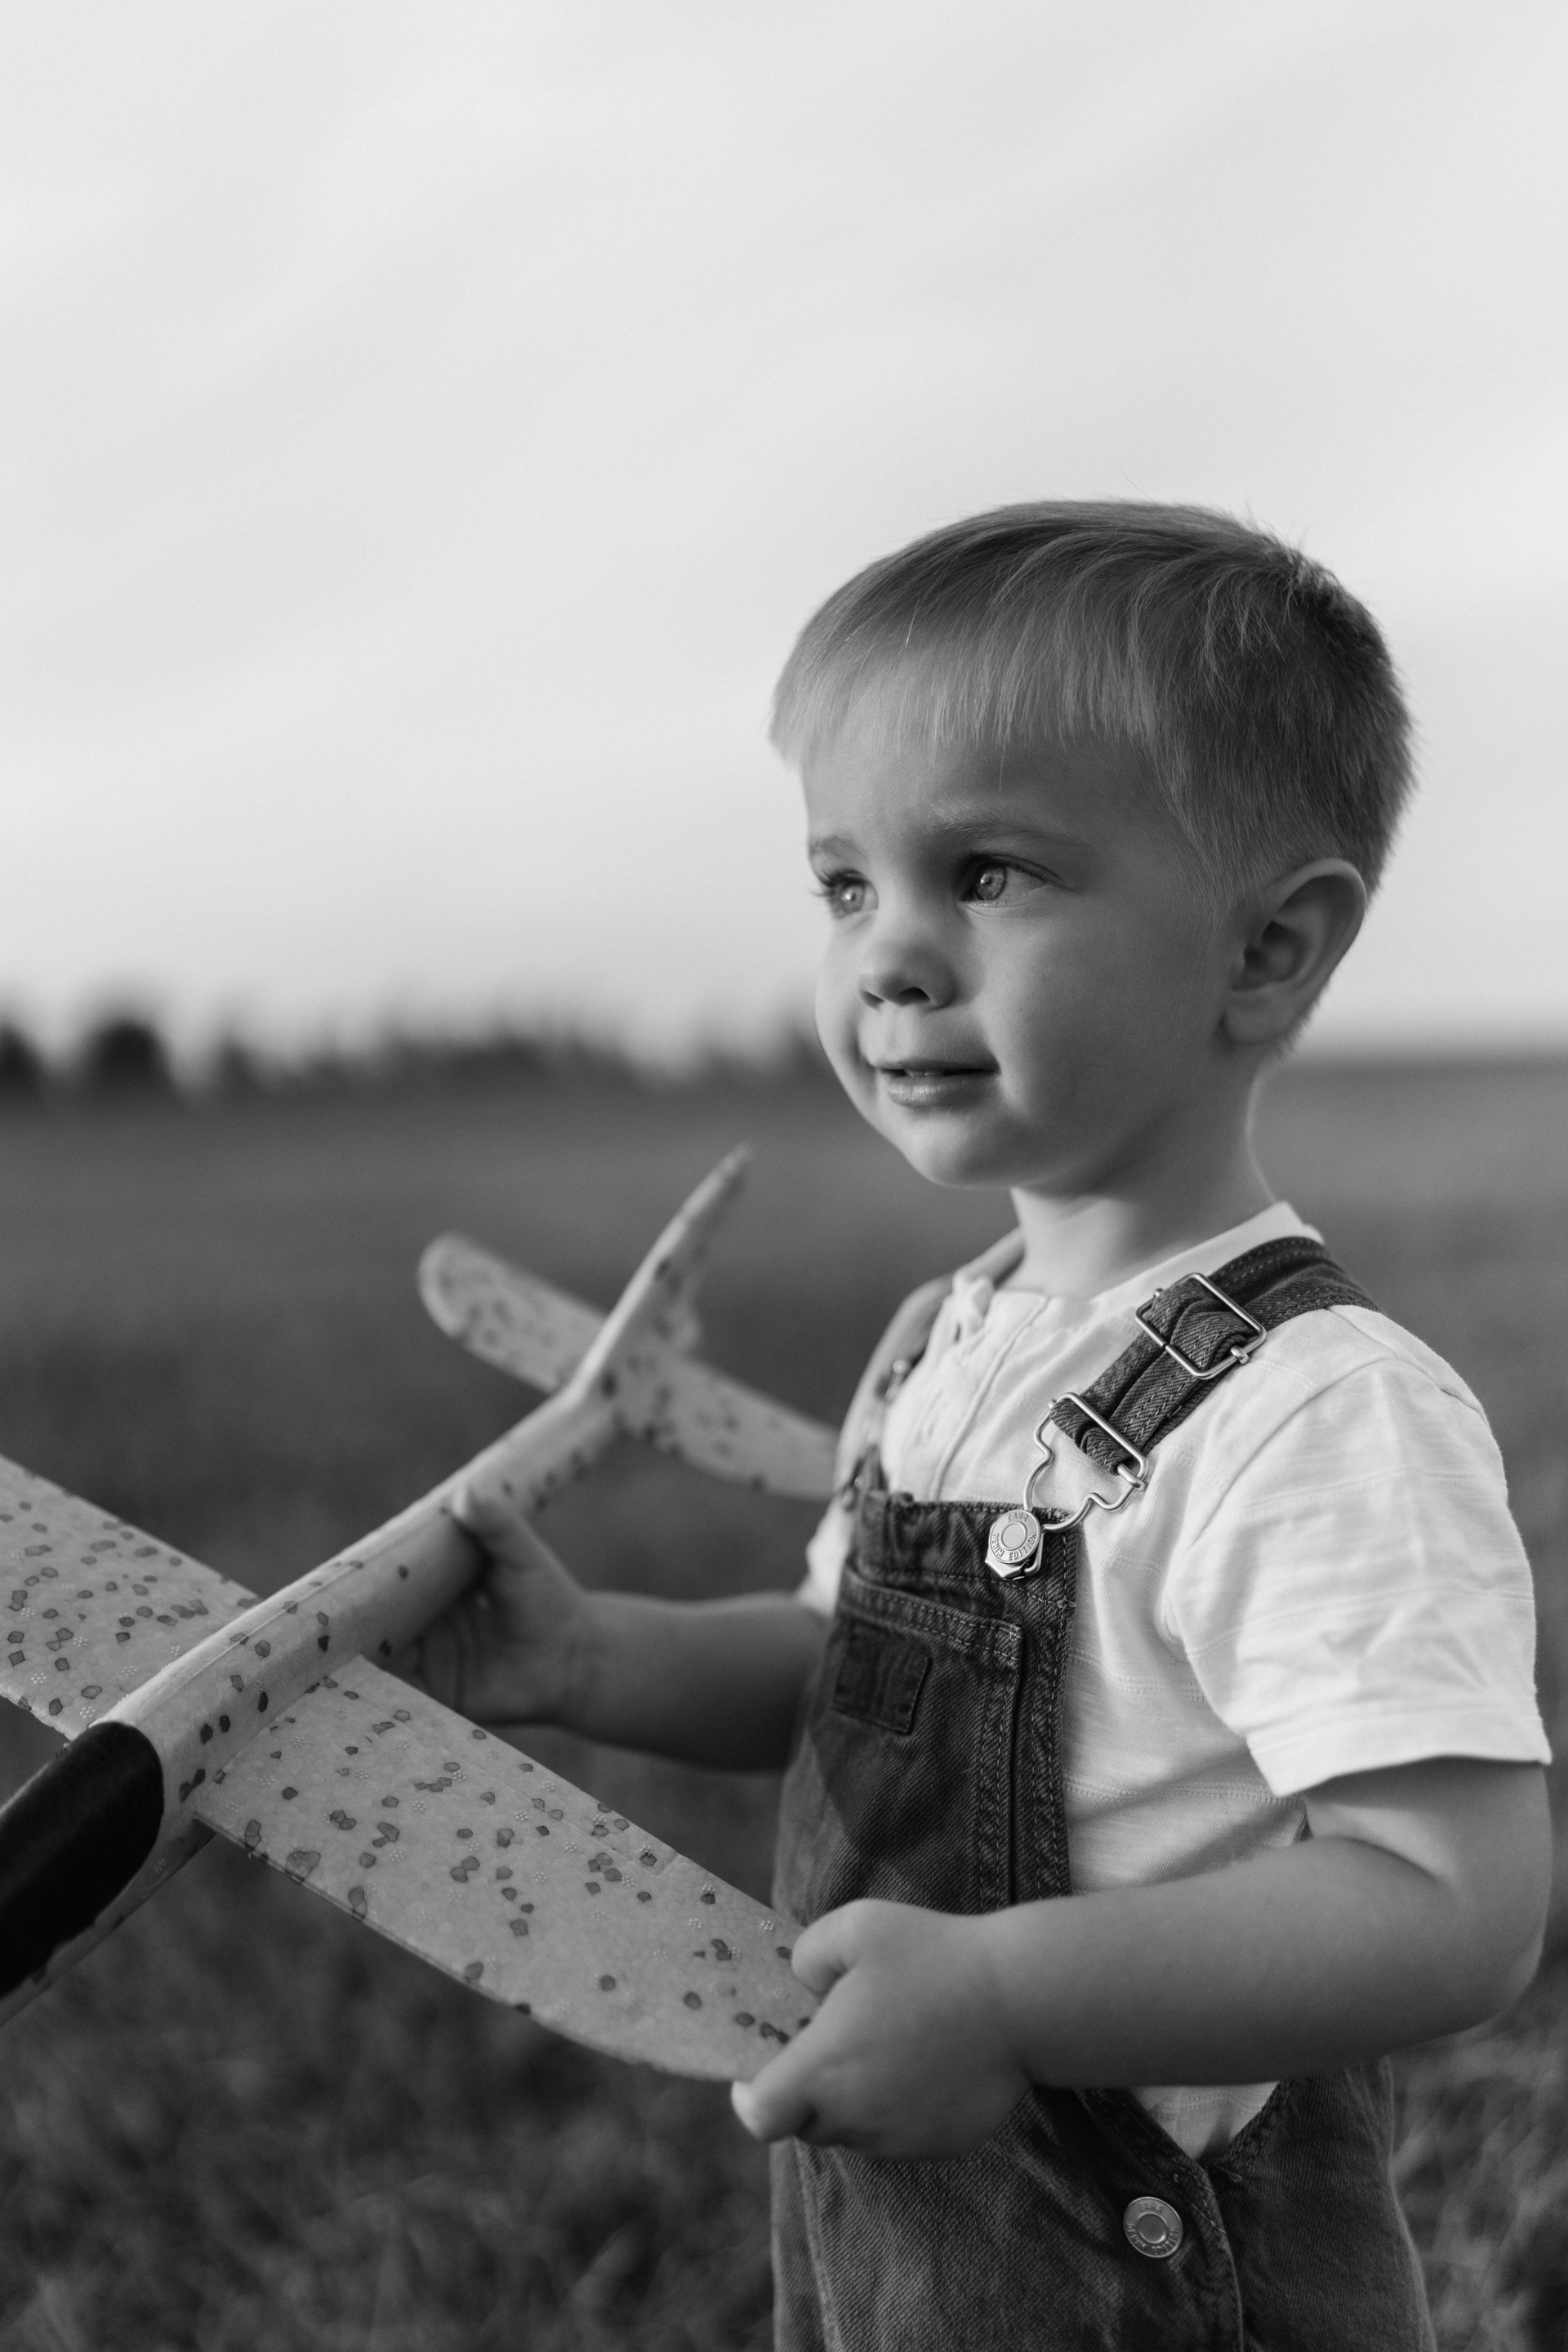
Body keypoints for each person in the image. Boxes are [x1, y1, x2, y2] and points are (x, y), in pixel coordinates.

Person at [415, 504, 1552, 2349]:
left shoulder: (1313, 1410)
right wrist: (595, 1657)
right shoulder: (948, 1339)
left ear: (1267, 950)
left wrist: (1011, 1998)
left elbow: (1453, 1905)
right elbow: (844, 1667)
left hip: (1150, 2274)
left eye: (990, 874)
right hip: (906, 2242)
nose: (891, 955)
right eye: (845, 887)